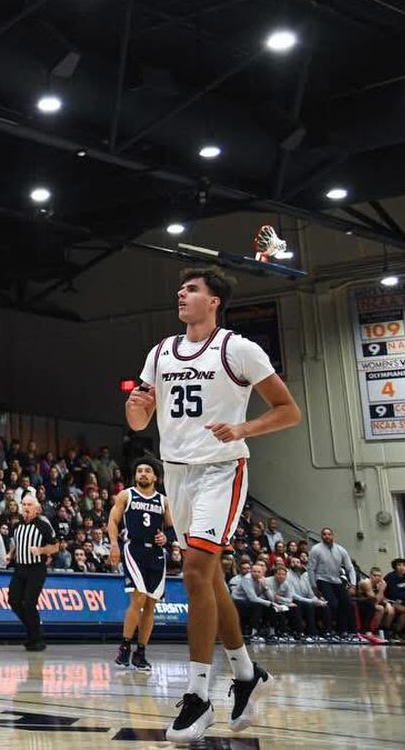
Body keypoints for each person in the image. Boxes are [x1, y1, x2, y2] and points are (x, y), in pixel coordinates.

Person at [127, 266, 301, 743]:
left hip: (221, 470)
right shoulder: (160, 352)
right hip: (176, 473)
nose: (181, 293)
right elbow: (140, 418)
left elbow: (289, 411)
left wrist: (243, 429)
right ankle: (246, 674)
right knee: (209, 577)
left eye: (192, 289)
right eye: (181, 287)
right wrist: (138, 406)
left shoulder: (237, 349)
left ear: (214, 301)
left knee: (195, 573)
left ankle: (199, 694)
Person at [107, 460, 174, 671]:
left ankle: (141, 652)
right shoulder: (126, 495)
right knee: (138, 599)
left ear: (155, 477)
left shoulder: (163, 501)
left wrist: (167, 537)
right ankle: (125, 648)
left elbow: (172, 527)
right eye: (139, 471)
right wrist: (114, 545)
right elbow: (113, 521)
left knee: (151, 605)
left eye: (147, 471)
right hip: (134, 550)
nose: (143, 474)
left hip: (156, 554)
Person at [8, 497, 58, 650]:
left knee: (29, 603)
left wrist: (41, 550)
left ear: (37, 509)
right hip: (19, 568)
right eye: (24, 504)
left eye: (29, 505)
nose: (26, 507)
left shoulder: (43, 526)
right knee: (14, 601)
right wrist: (11, 554)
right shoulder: (17, 526)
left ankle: (37, 637)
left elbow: (55, 547)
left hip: (36, 569)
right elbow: (16, 544)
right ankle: (33, 630)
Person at [308, 527, 360, 640]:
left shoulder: (341, 550)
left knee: (346, 603)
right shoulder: (316, 549)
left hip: (336, 580)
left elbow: (350, 568)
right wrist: (313, 586)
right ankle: (328, 630)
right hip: (322, 579)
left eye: (329, 534)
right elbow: (311, 569)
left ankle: (342, 631)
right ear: (321, 536)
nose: (327, 536)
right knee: (332, 604)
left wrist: (353, 584)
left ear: (333, 536)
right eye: (324, 534)